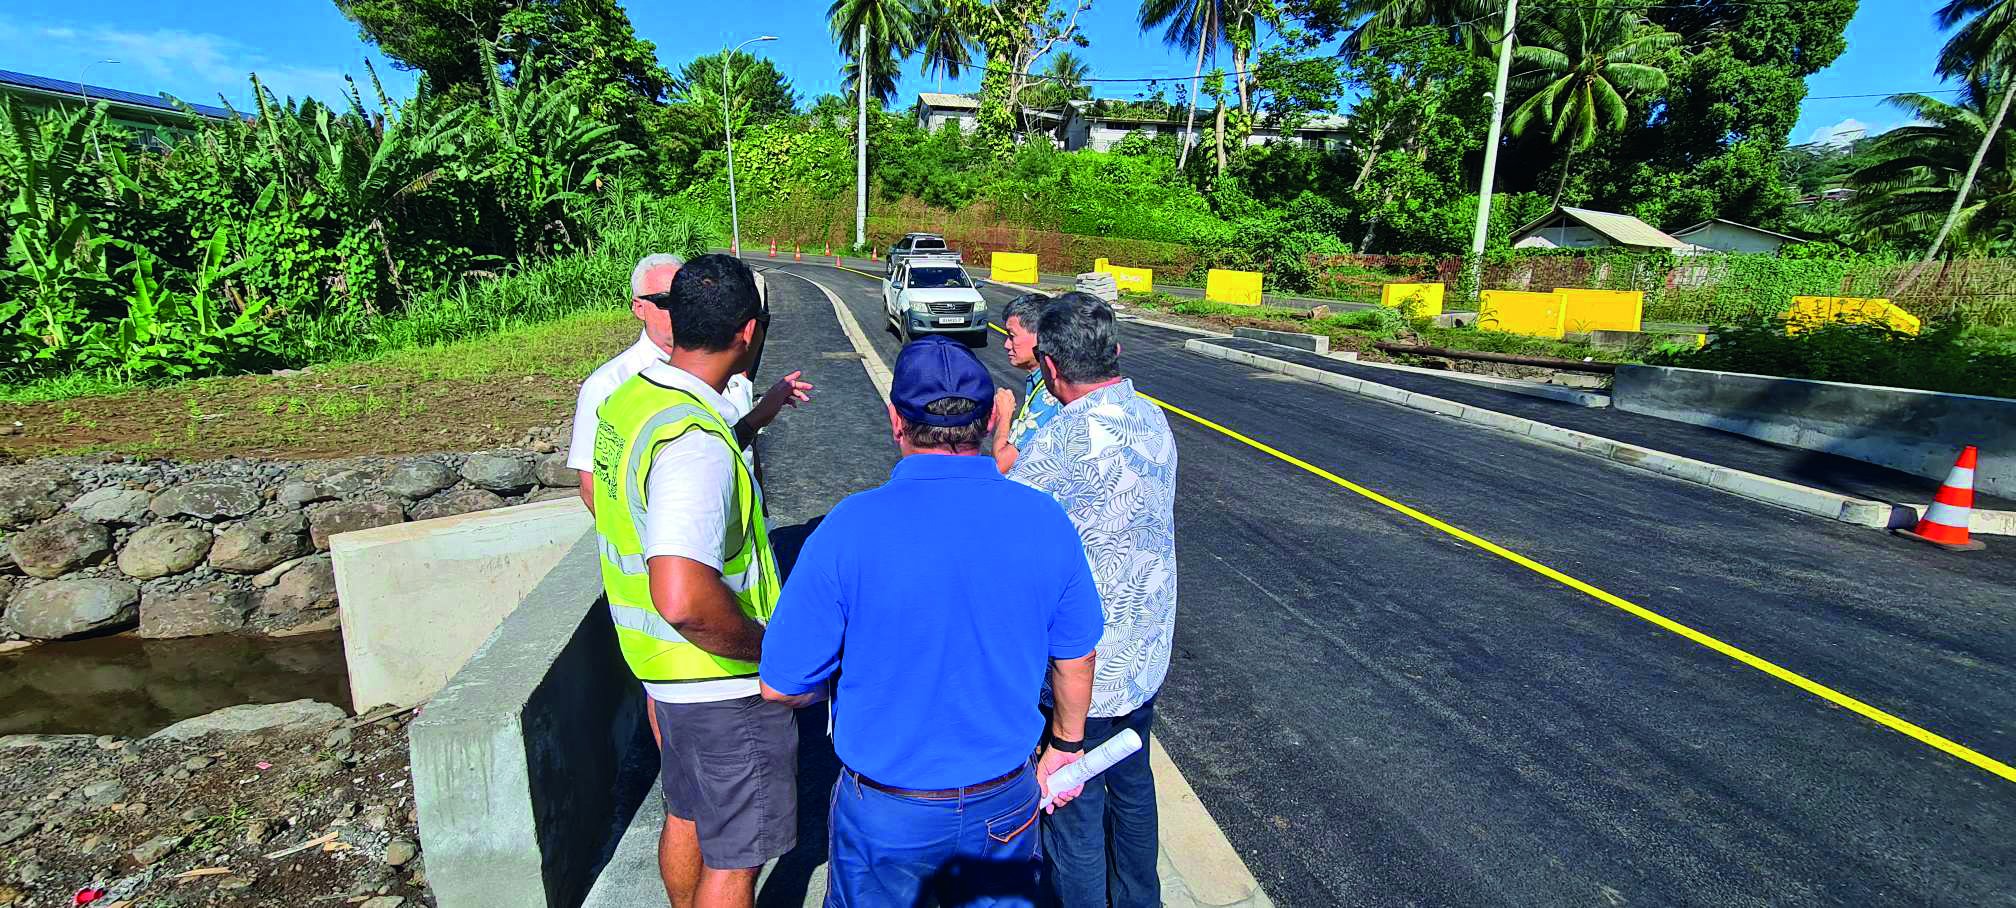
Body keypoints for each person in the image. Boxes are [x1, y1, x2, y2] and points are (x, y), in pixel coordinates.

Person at [757, 335, 1103, 908]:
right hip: (1004, 800)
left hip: (887, 810)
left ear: (896, 419)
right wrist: (1065, 746)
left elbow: (781, 685)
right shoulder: (1044, 519)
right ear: (992, 417)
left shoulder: (849, 528)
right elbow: (1076, 656)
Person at [590, 254, 800, 908]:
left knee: (686, 812)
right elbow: (682, 596)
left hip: (663, 672)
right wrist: (769, 650)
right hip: (717, 680)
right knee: (738, 858)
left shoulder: (631, 401)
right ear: (747, 332)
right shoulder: (695, 440)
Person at [1007, 292, 1178, 908]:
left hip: (1085, 673)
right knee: (1133, 790)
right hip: (1144, 658)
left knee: (1072, 812)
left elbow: (1003, 516)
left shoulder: (1062, 442)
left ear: (1049, 366)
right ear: (1116, 352)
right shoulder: (1151, 417)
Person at [567, 253, 813, 513]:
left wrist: (758, 417)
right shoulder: (609, 385)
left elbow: (738, 452)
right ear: (639, 308)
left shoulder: (724, 366)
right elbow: (594, 488)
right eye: (666, 301)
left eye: (685, 298)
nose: (679, 309)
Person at [991, 292, 1066, 474]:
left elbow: (1002, 465)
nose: (1006, 345)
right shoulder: (1044, 379)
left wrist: (1005, 414)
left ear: (1040, 337)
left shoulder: (1051, 393)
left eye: (1012, 336)